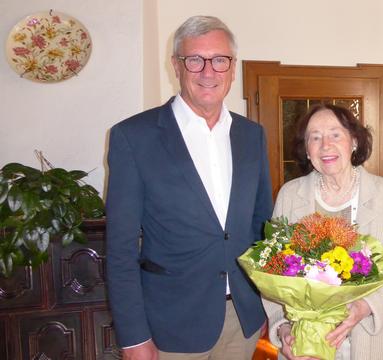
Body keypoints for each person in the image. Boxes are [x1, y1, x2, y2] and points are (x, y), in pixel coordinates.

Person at [105, 16, 272, 360]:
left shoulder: (251, 135)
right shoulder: (133, 137)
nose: (208, 72)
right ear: (176, 66)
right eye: (194, 60)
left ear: (233, 67)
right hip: (170, 325)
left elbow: (262, 229)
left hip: (243, 321)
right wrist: (133, 338)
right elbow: (120, 248)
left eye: (219, 60)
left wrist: (269, 307)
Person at [262, 104, 383, 360]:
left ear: (354, 141)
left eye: (335, 134)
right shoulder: (290, 195)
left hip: (367, 338)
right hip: (305, 344)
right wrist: (284, 329)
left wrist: (365, 306)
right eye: (314, 137)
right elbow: (273, 272)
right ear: (306, 149)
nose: (325, 145)